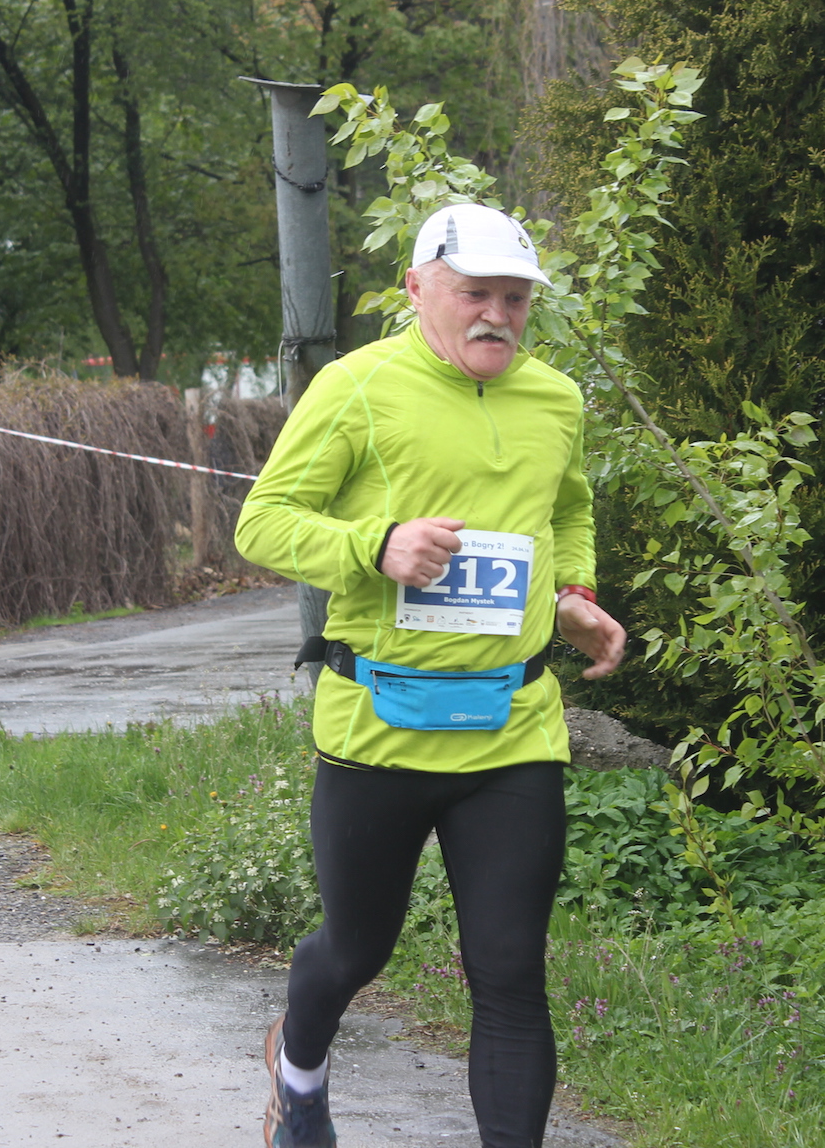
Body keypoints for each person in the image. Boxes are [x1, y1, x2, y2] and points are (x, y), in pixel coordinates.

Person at [234, 202, 626, 1148]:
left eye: (515, 299)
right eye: (475, 293)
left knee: (510, 969)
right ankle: (298, 1068)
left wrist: (573, 592)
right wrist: (376, 545)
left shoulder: (555, 399)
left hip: (512, 727)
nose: (498, 315)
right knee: (356, 950)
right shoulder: (356, 387)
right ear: (416, 289)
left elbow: (566, 508)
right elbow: (263, 522)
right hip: (379, 727)